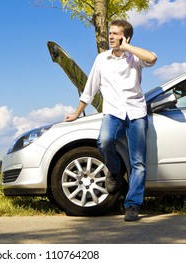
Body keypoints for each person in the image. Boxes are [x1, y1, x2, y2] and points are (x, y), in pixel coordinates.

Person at [65, 19, 157, 221]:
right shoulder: (101, 59)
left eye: (116, 34)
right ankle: (115, 171)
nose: (111, 37)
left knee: (138, 162)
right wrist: (77, 113)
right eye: (110, 33)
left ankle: (132, 205)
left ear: (126, 37)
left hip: (136, 112)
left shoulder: (134, 57)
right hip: (113, 112)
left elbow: (152, 58)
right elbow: (90, 89)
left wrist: (127, 47)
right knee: (104, 141)